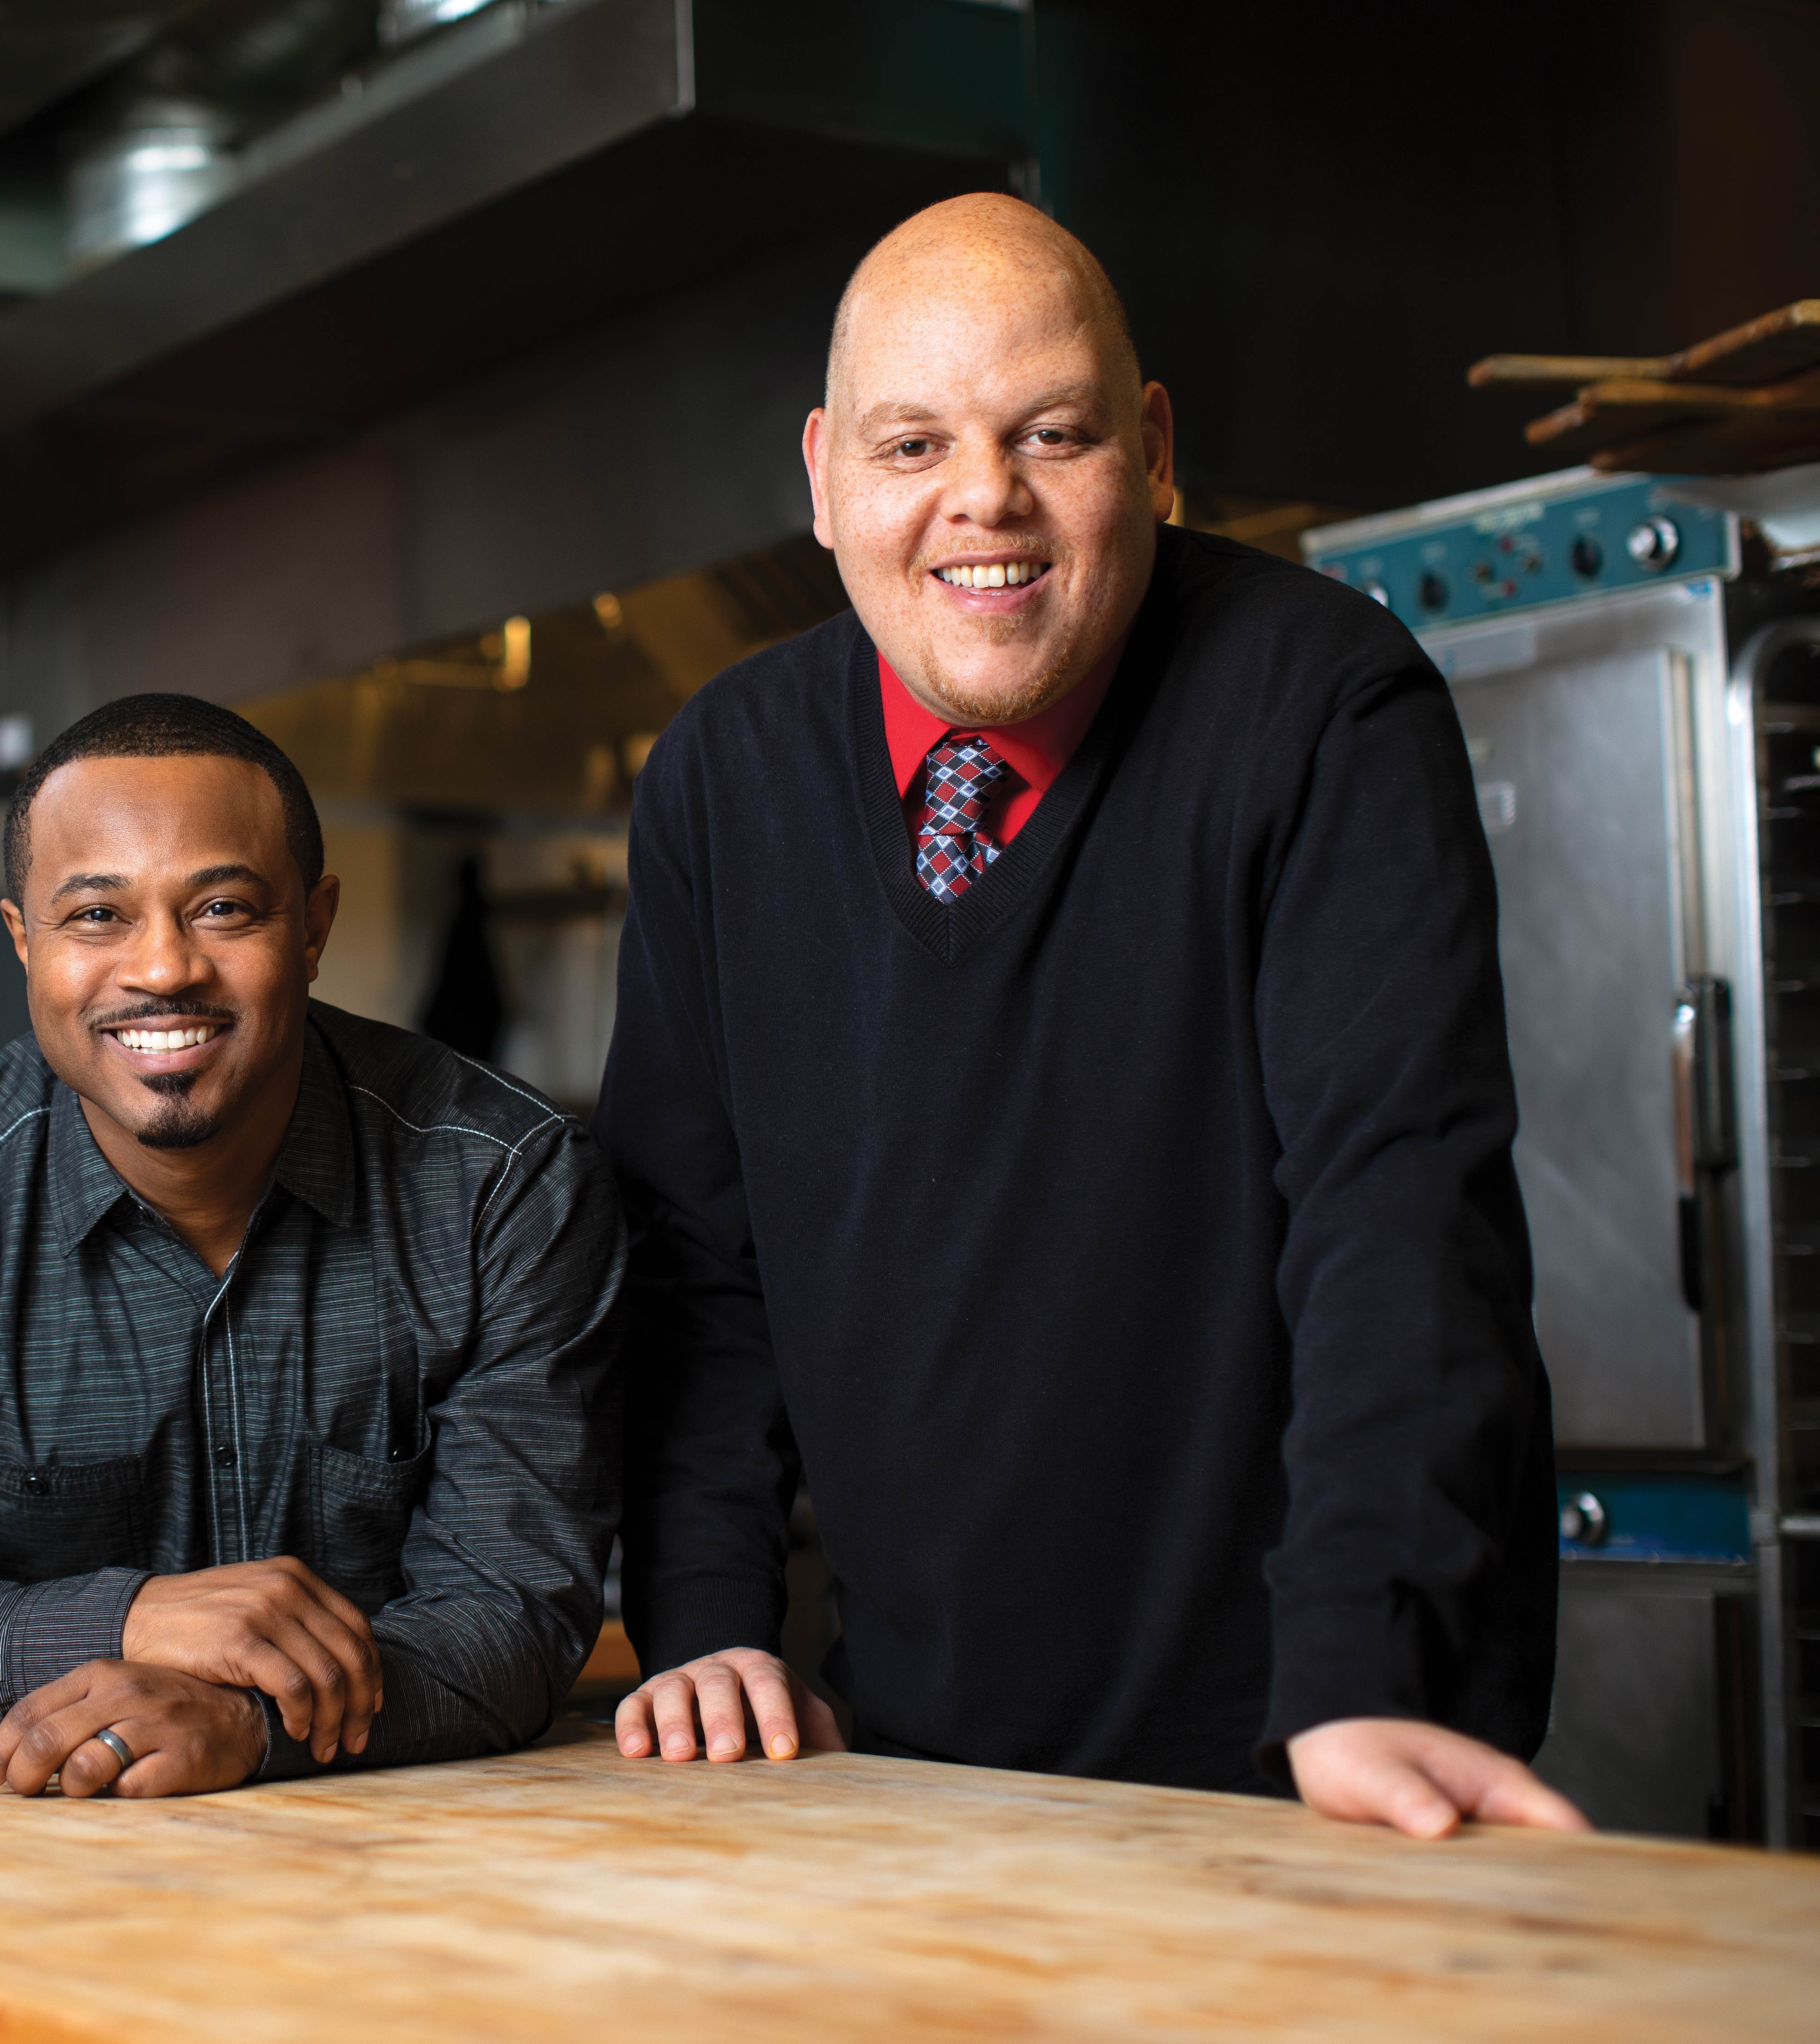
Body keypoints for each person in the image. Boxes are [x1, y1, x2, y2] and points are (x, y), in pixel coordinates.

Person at [596, 193, 1585, 1839]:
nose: (985, 499)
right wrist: (712, 1628)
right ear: (826, 479)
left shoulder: (1326, 709)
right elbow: (697, 1264)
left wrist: (1365, 1663)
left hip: (1308, 1748)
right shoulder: (722, 776)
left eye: (1050, 434)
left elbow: (1399, 1209)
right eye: (913, 447)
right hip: (906, 1758)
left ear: (1155, 446)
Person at [0, 694, 622, 1798]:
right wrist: (128, 1618)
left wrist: (245, 1723)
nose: (162, 968)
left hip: (406, 1892)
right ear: (23, 941)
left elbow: (513, 1618)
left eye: (225, 907)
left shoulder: (503, 1186)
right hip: (12, 1894)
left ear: (314, 926)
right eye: (96, 915)